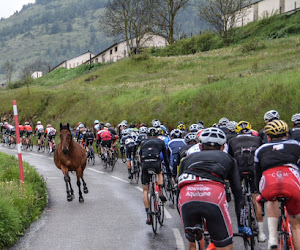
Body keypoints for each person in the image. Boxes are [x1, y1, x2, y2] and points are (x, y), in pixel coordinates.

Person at [178, 127, 251, 250]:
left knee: (192, 244)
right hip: (212, 196)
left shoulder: (186, 159)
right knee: (225, 246)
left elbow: (178, 189)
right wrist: (241, 224)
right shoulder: (228, 159)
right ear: (223, 147)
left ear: (200, 146)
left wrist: (184, 217)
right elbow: (238, 192)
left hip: (186, 197)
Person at [255, 120, 300, 249]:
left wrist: (259, 194)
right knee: (296, 225)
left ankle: (273, 238)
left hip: (270, 183)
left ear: (268, 137)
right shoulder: (296, 145)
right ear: (287, 135)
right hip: (291, 182)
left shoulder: (260, 150)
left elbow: (257, 174)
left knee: (271, 199)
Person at [228, 121, 265, 242]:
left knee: (240, 198)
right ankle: (261, 233)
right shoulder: (257, 139)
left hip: (238, 170)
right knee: (256, 198)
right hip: (253, 168)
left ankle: (242, 225)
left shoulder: (232, 141)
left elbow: (230, 159)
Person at [139, 127, 171, 225]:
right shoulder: (160, 142)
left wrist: (142, 167)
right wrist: (169, 171)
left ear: (147, 136)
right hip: (155, 162)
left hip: (145, 163)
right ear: (157, 135)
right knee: (159, 172)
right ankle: (160, 192)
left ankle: (148, 216)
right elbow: (165, 158)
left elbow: (140, 156)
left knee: (145, 190)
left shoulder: (143, 142)